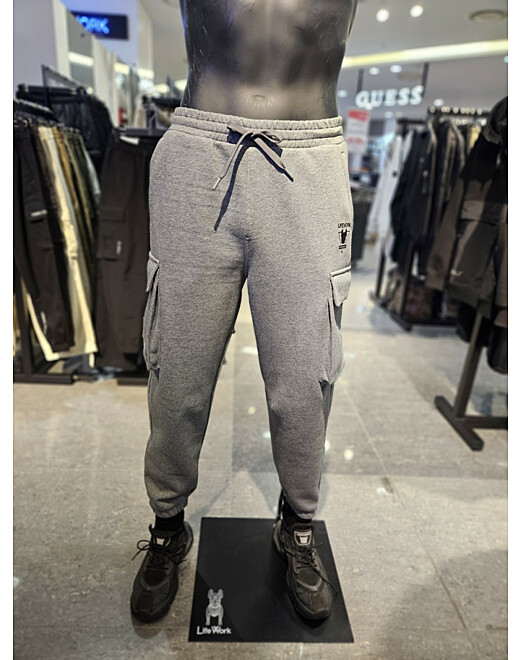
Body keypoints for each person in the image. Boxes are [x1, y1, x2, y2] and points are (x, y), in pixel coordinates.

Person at [131, 0, 358, 623]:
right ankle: (168, 525)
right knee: (178, 368)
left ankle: (298, 523)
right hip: (197, 154)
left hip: (309, 162)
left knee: (305, 376)